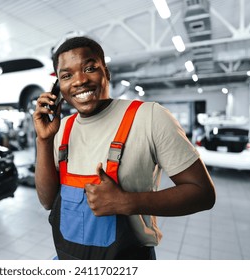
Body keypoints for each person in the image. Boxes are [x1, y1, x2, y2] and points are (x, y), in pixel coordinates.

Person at [33, 36, 216, 260]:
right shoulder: (61, 130)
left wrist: (127, 202)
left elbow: (203, 193)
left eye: (89, 68)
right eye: (66, 75)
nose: (79, 80)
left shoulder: (149, 117)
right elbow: (47, 201)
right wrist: (43, 140)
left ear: (106, 73)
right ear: (58, 87)